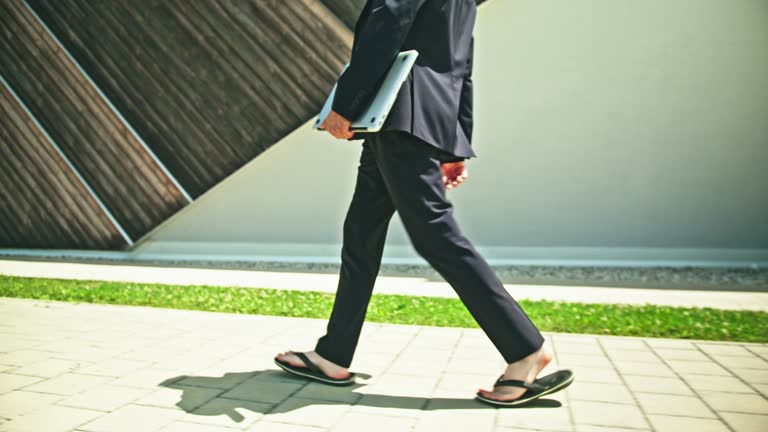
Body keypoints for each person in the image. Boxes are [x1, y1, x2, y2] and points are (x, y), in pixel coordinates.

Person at [275, 0, 573, 406]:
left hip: (400, 115)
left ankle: (525, 350)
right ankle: (333, 355)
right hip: (407, 118)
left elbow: (388, 23)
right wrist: (455, 144)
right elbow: (462, 64)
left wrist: (344, 104)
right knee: (361, 233)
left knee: (434, 235)